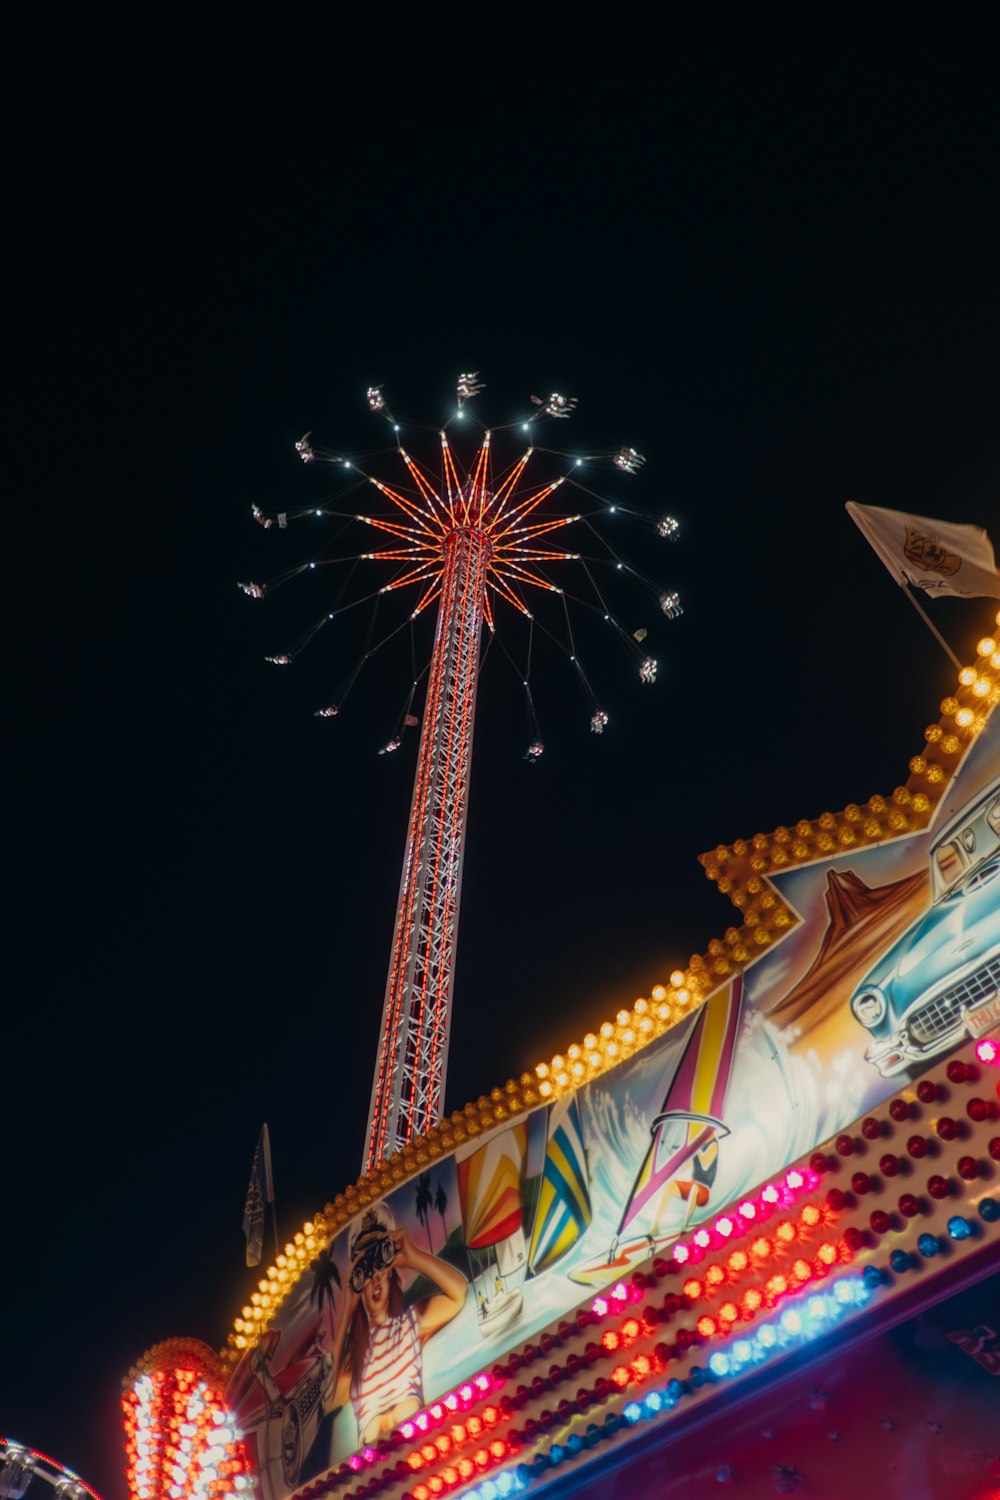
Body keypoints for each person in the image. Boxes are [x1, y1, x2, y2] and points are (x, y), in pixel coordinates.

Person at [328, 1204, 467, 1445]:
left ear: (391, 1271)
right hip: (378, 1471)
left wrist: (413, 1257)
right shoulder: (355, 1362)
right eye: (365, 1272)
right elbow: (326, 1402)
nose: (375, 1279)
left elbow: (458, 1293)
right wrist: (347, 1312)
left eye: (381, 1264)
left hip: (417, 1447)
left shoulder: (410, 1323)